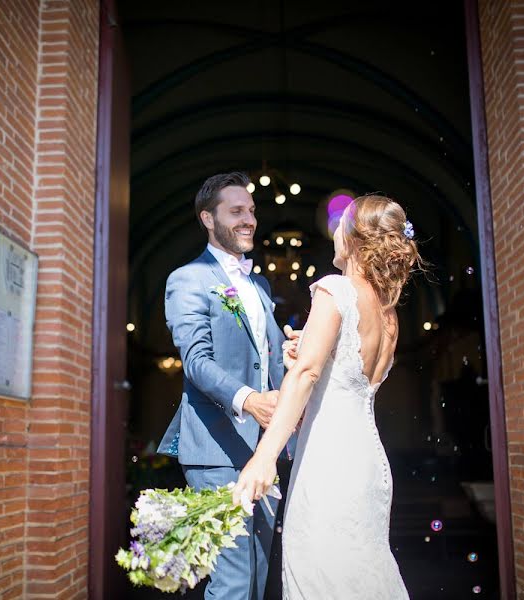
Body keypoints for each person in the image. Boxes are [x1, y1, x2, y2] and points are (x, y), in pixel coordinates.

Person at [233, 195, 423, 599]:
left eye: (339, 225)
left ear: (354, 237)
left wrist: (264, 457)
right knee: (360, 572)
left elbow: (307, 373)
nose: (333, 232)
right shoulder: (389, 316)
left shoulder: (335, 288)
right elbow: (341, 372)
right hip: (368, 462)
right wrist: (310, 349)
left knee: (320, 575)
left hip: (329, 459)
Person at [157, 172, 296, 599]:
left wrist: (290, 354)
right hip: (217, 449)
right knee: (233, 580)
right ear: (208, 218)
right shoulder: (188, 279)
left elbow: (268, 358)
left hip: (264, 450)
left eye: (251, 211)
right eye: (236, 211)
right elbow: (196, 363)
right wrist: (250, 400)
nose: (249, 219)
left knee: (257, 576)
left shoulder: (259, 284)